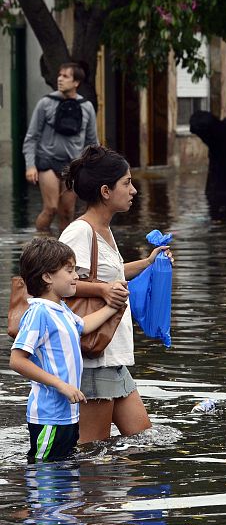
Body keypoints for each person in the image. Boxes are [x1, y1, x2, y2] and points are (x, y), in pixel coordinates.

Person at [58, 145, 173, 443]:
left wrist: (148, 263)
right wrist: (102, 289)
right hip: (95, 359)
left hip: (112, 355)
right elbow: (57, 285)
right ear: (106, 191)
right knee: (92, 452)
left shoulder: (104, 231)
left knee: (142, 441)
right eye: (127, 183)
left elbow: (113, 274)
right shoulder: (79, 232)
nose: (133, 190)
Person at [10, 237, 122, 462]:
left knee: (63, 469)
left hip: (67, 414)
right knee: (44, 470)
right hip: (49, 416)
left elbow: (83, 326)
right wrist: (61, 385)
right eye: (69, 270)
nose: (76, 276)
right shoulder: (39, 313)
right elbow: (17, 360)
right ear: (47, 277)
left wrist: (113, 306)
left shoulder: (60, 309)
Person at [23, 62, 98, 232]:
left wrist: (92, 169)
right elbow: (31, 137)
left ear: (76, 82)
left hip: (73, 165)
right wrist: (30, 165)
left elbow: (92, 142)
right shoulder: (45, 103)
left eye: (65, 76)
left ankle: (62, 247)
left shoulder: (86, 107)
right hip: (47, 162)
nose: (60, 79)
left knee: (67, 212)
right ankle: (40, 243)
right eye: (59, 75)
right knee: (51, 208)